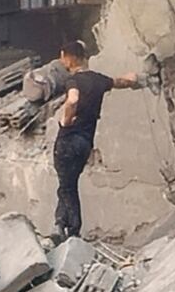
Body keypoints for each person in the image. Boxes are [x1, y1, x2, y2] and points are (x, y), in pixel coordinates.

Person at [52, 40, 139, 242]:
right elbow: (121, 82)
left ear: (68, 57)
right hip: (85, 143)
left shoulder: (73, 82)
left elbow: (72, 100)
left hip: (68, 140)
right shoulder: (99, 80)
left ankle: (72, 230)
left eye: (63, 56)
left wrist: (65, 120)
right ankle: (59, 225)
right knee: (68, 183)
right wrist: (135, 78)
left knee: (66, 186)